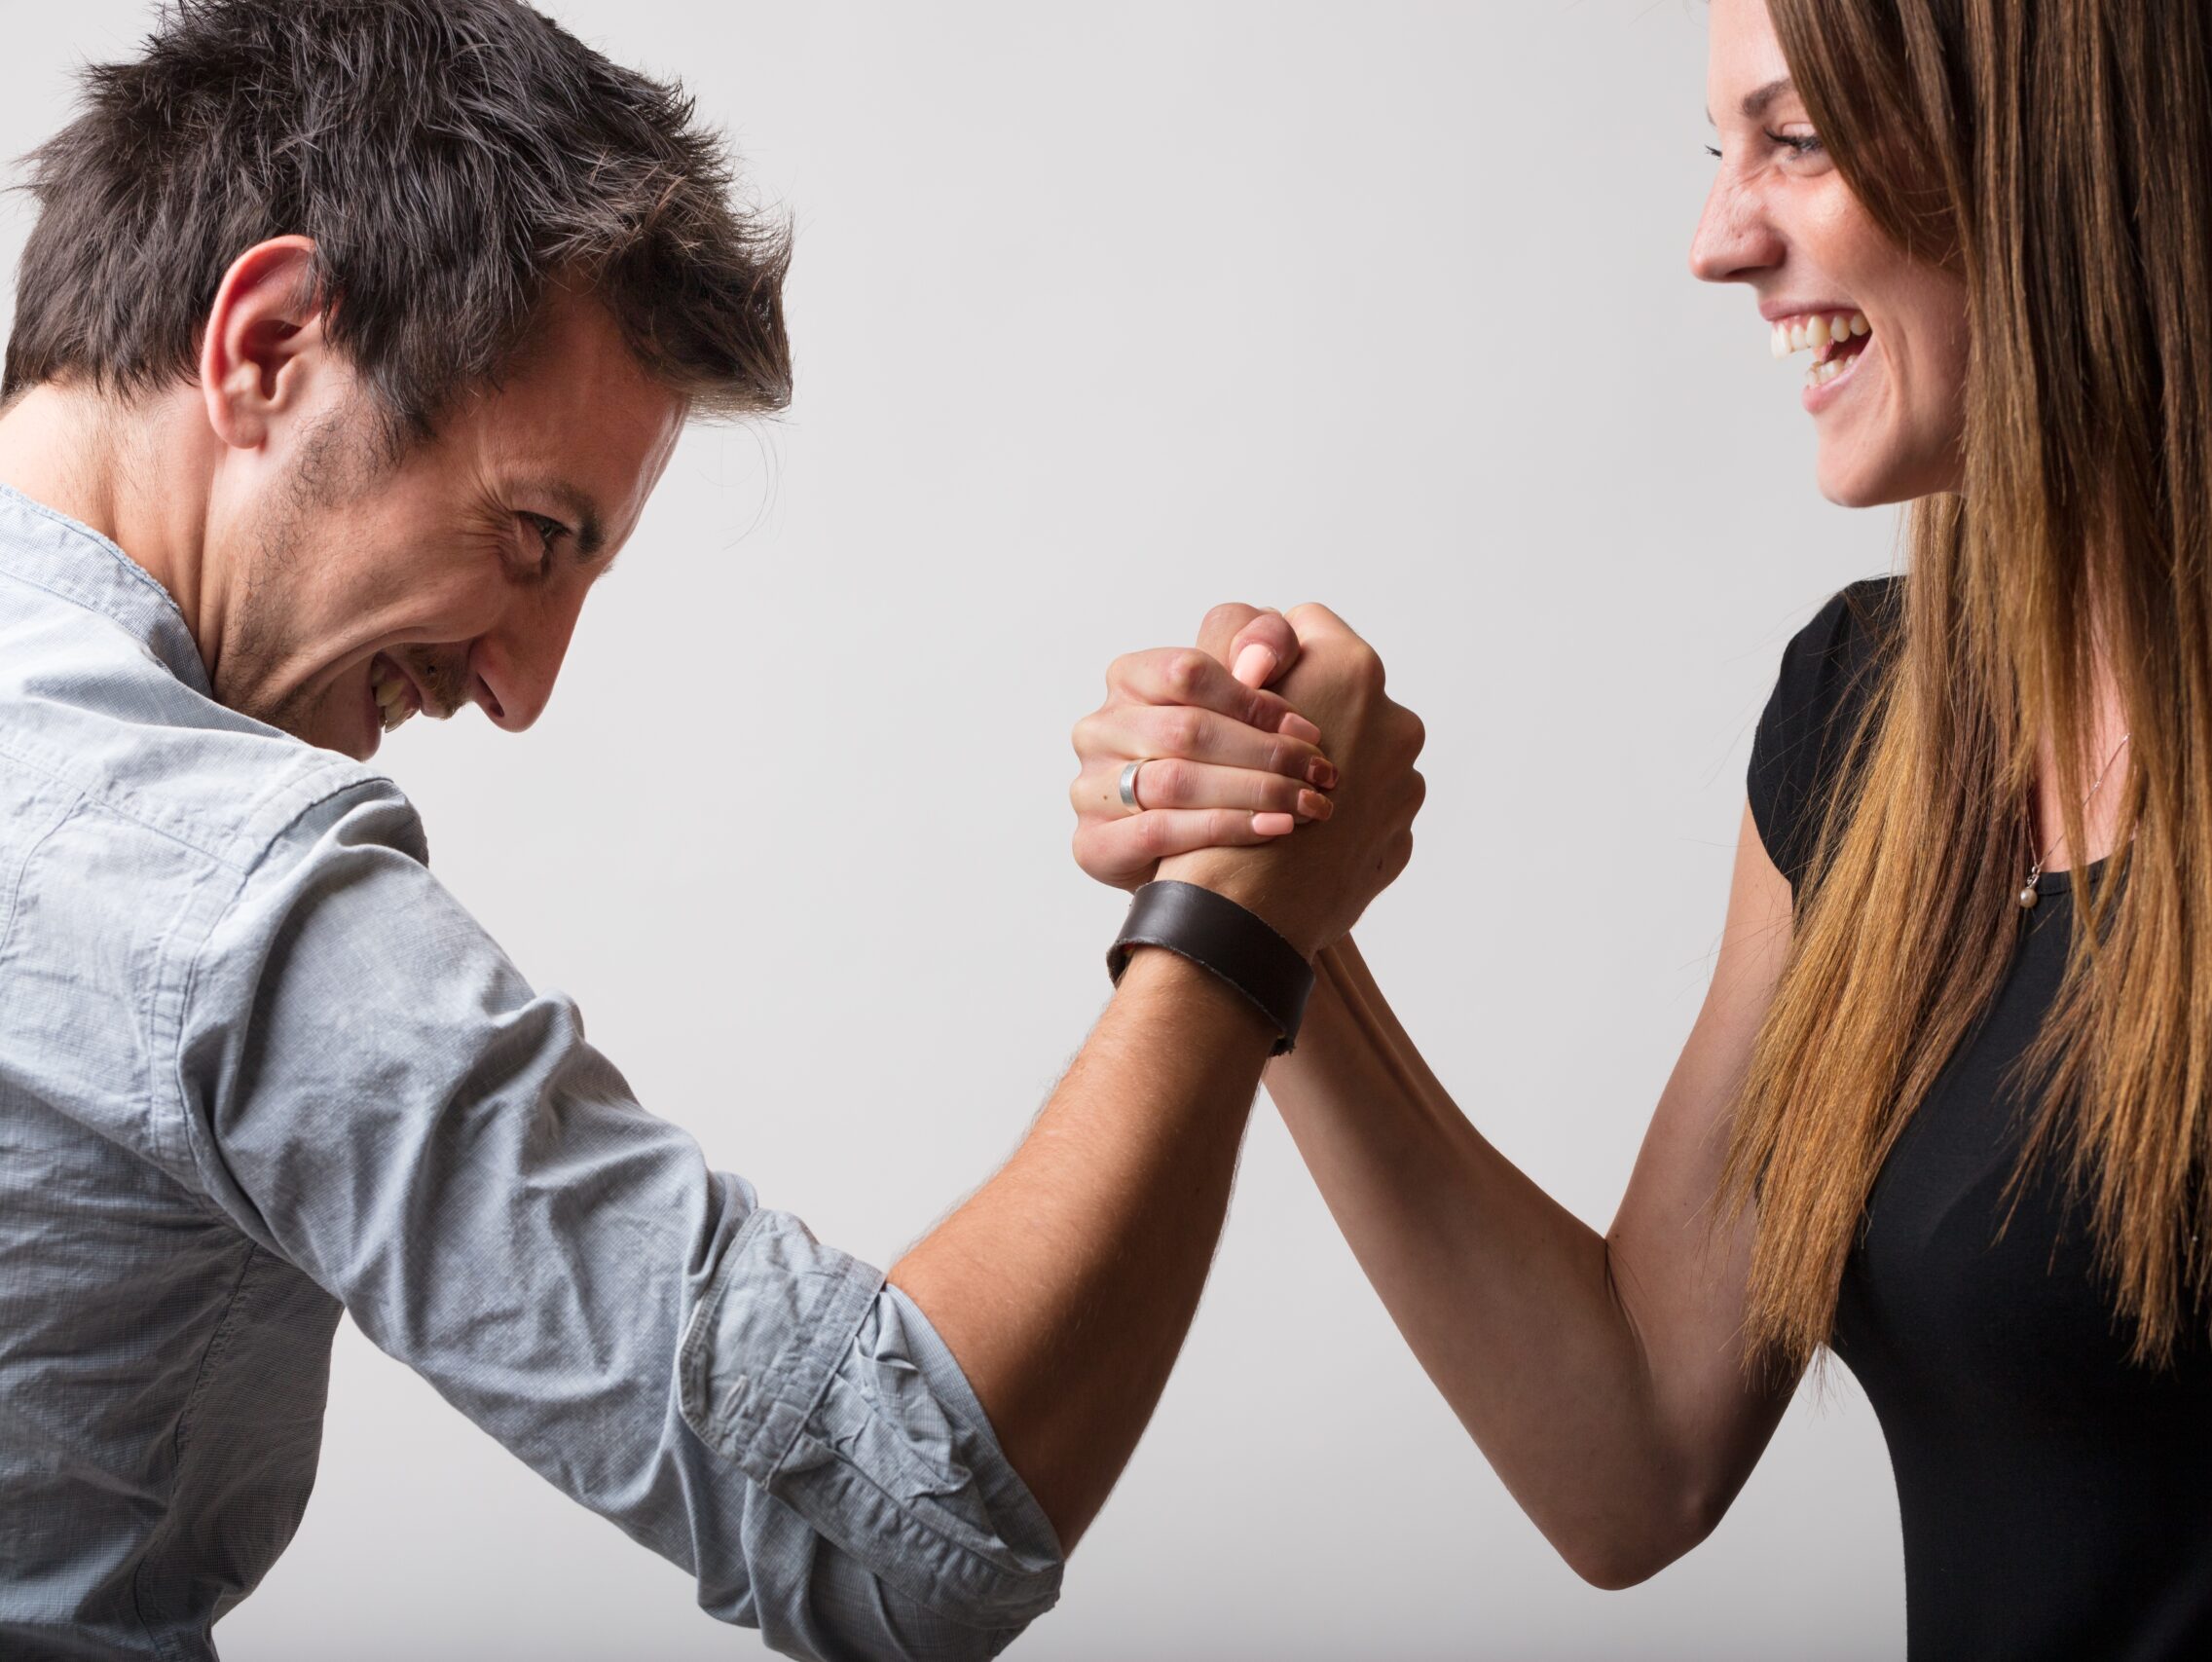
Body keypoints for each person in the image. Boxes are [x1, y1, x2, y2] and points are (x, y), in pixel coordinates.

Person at [0, 4, 1425, 1658]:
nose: (523, 687)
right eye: (533, 535)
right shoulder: (205, 887)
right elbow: (913, 1524)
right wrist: (1234, 929)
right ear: (268, 345)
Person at [1073, 0, 2212, 1654]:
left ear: (2070, 152)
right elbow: (1633, 1456)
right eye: (1721, 149)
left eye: (1797, 138)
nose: (1715, 240)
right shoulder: (1867, 723)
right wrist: (1249, 908)